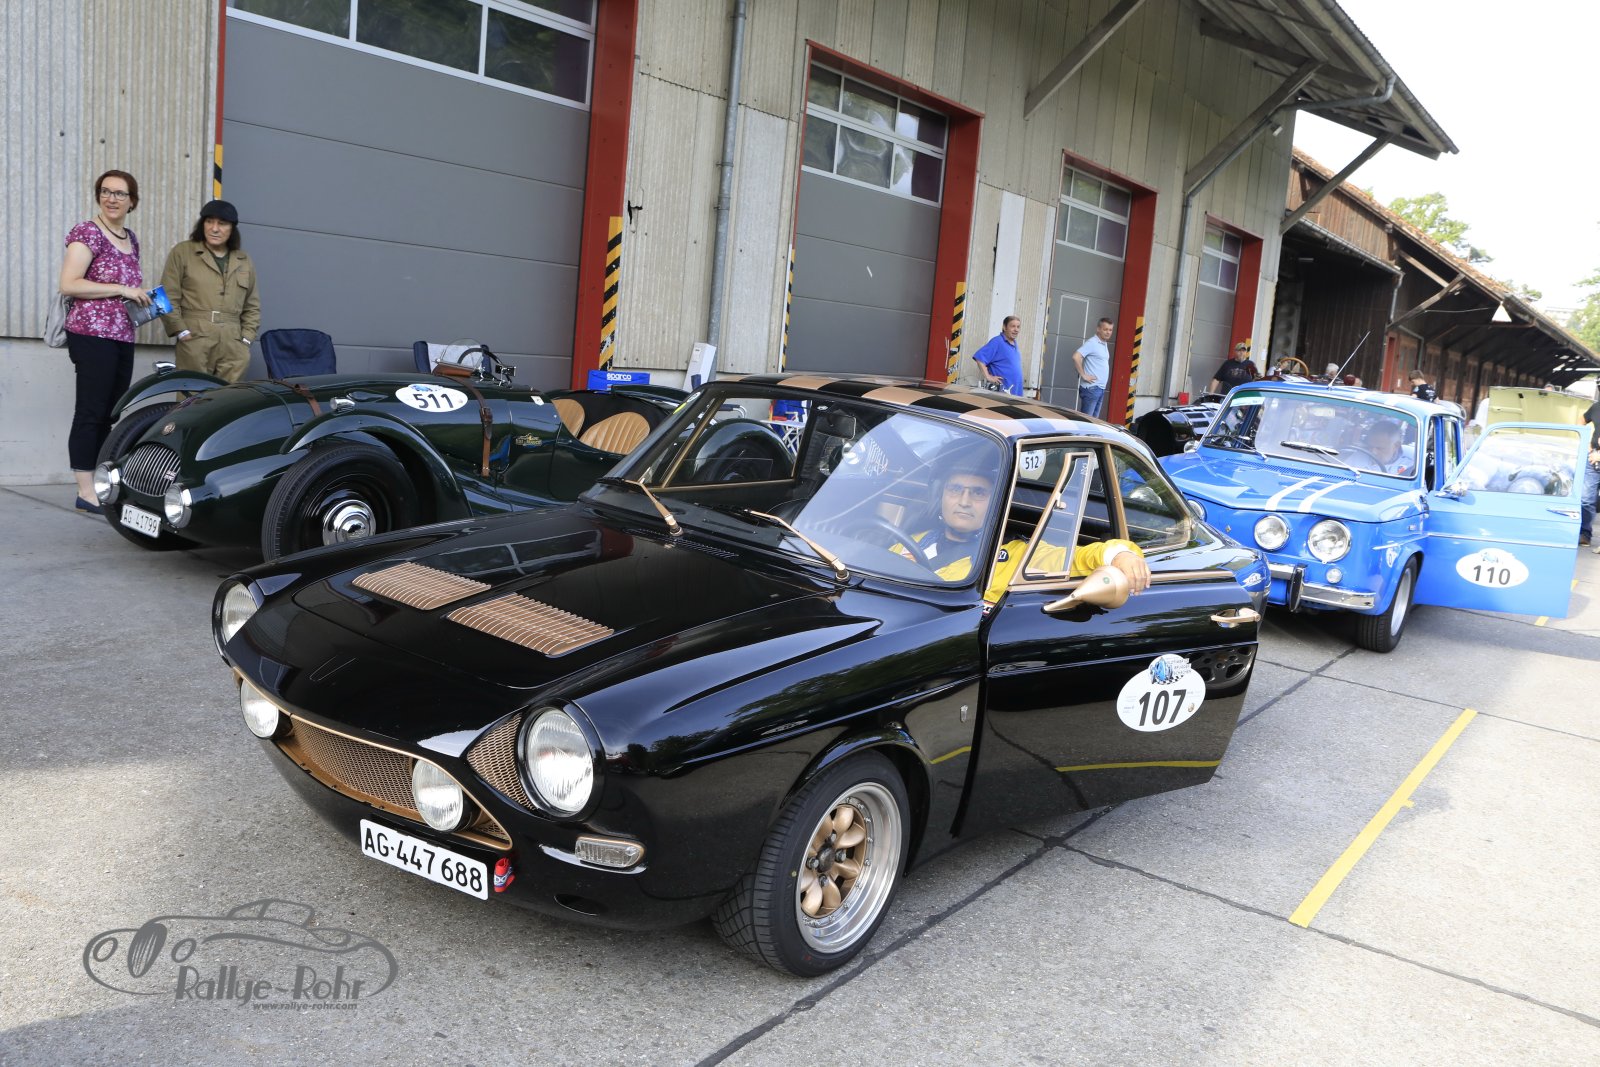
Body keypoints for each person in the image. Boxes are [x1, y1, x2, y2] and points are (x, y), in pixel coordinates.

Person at [894, 451, 1150, 604]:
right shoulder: (910, 541)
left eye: (978, 493)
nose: (963, 501)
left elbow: (1081, 558)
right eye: (955, 489)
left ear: (996, 502)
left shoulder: (1020, 555)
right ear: (941, 495)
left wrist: (1121, 556)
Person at [59, 169, 153, 514]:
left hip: (122, 334)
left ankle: (101, 483)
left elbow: (126, 288)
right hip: (91, 334)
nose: (112, 198)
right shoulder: (88, 232)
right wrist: (122, 289)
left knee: (110, 411)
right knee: (90, 410)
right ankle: (85, 492)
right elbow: (69, 283)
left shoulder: (131, 238)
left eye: (120, 193)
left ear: (132, 201)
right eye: (106, 191)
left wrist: (141, 298)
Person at [159, 200, 261, 382]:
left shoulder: (243, 260)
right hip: (195, 337)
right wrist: (180, 331)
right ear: (202, 224)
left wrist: (246, 339)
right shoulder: (184, 252)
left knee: (228, 396)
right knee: (192, 393)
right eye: (209, 221)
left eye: (222, 223)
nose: (214, 229)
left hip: (233, 342)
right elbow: (166, 295)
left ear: (232, 228)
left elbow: (252, 305)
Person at [1073, 317, 1114, 418]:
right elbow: (1076, 357)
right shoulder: (1092, 343)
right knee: (1086, 421)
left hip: (1100, 388)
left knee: (1094, 422)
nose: (1108, 332)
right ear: (1098, 329)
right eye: (1105, 329)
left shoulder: (1103, 343)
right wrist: (1083, 375)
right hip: (1092, 389)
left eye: (1110, 330)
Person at [972, 315, 1023, 395]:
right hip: (1002, 393)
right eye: (1013, 326)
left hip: (1015, 392)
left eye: (1018, 327)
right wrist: (988, 377)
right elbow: (980, 358)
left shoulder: (1014, 343)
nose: (1016, 329)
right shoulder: (997, 342)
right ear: (1004, 327)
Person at [1581, 398, 1600, 547]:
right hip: (1593, 459)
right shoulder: (1596, 407)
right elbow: (1581, 421)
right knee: (1586, 499)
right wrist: (1586, 443)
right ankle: (1584, 534)